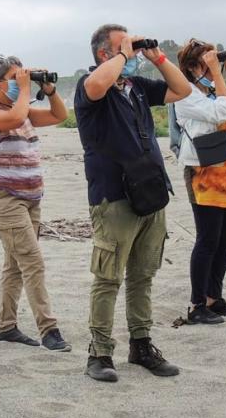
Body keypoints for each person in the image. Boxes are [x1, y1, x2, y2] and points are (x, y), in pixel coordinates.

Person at [74, 24, 191, 382]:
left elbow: (182, 89)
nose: (132, 53)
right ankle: (99, 353)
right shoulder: (90, 84)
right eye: (122, 46)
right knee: (108, 278)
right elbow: (96, 86)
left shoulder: (136, 88)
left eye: (133, 46)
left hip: (150, 193)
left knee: (142, 276)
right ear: (102, 54)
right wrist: (125, 53)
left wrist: (155, 56)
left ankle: (141, 345)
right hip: (113, 197)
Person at [0, 54, 71, 352]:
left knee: (15, 265)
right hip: (4, 199)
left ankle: (5, 326)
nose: (21, 83)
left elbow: (59, 116)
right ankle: (49, 329)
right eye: (15, 78)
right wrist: (26, 89)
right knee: (32, 262)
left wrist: (50, 89)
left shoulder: (23, 109)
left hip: (30, 200)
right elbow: (15, 118)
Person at [173, 39, 226, 325]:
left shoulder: (216, 88)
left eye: (212, 61)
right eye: (205, 63)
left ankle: (214, 298)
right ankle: (197, 304)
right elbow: (221, 112)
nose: (211, 68)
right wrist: (218, 75)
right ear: (191, 67)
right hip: (204, 173)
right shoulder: (184, 94)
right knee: (208, 239)